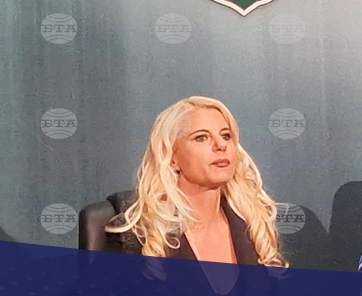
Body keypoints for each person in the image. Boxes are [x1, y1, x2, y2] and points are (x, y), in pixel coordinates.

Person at [105, 96, 287, 271]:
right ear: (172, 158)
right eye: (201, 138)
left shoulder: (255, 226)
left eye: (226, 136)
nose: (220, 145)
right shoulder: (135, 237)